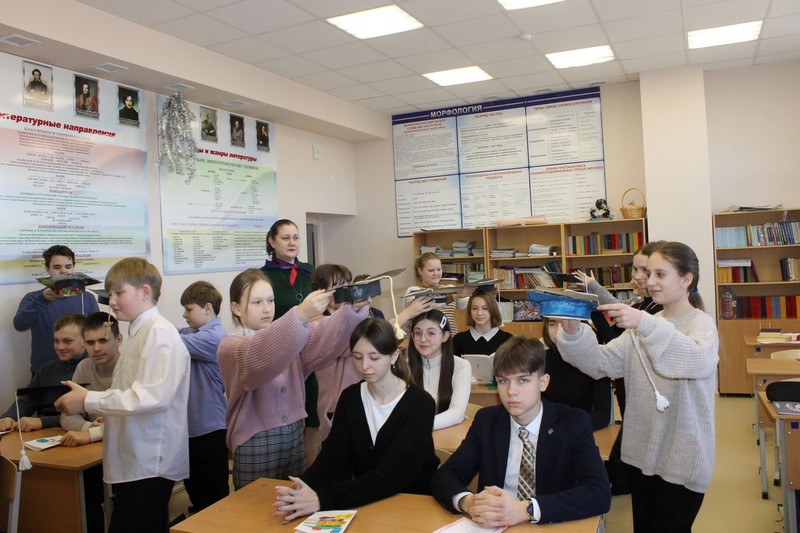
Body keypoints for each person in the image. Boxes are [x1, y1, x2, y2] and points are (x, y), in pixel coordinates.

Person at [557, 242, 719, 533]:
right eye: (647, 272)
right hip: (642, 455)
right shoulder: (648, 323)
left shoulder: (700, 324)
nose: (649, 281)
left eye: (660, 274)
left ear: (686, 279)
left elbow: (696, 361)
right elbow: (601, 363)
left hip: (682, 458)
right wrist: (572, 331)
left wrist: (644, 323)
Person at [56, 257, 191, 533]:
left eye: (119, 293)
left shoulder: (159, 334)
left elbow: (150, 397)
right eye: (111, 293)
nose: (112, 301)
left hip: (149, 462)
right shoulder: (140, 333)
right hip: (136, 461)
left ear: (144, 292)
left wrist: (88, 399)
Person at [431, 336, 611, 527]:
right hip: (496, 527)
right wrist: (468, 502)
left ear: (543, 382)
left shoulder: (573, 423)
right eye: (503, 381)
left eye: (523, 380)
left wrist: (526, 509)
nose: (511, 391)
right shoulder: (487, 421)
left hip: (551, 526)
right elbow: (446, 475)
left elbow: (599, 493)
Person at [273, 318, 439, 523]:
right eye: (357, 357)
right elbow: (332, 458)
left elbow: (392, 475)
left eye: (374, 358)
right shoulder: (351, 397)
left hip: (414, 508)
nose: (364, 366)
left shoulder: (421, 404)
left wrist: (321, 499)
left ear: (394, 356)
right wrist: (300, 489)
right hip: (369, 503)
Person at [217, 269, 369, 490]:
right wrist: (300, 315)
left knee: (292, 501)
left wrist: (352, 309)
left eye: (271, 300)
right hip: (255, 441)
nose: (267, 309)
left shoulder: (289, 335)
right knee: (254, 506)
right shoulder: (230, 346)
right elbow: (260, 356)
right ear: (236, 308)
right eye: (257, 302)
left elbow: (323, 335)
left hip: (295, 436)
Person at [260, 219, 321, 466]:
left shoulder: (309, 270)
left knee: (312, 421)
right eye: (285, 238)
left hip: (309, 353)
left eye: (295, 237)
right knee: (285, 421)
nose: (292, 242)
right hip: (281, 355)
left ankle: (311, 477)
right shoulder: (262, 276)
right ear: (272, 241)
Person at [178, 281, 229, 512]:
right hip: (192, 428)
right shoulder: (195, 333)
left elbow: (169, 340)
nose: (184, 315)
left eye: (189, 309)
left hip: (210, 429)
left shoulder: (215, 338)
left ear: (207, 308)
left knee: (214, 495)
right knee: (196, 489)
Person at [14, 244, 100, 375]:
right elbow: (19, 325)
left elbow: (97, 331)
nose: (63, 271)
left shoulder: (87, 298)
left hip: (82, 370)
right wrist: (42, 299)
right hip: (44, 372)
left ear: (74, 267)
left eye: (68, 266)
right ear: (47, 269)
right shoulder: (33, 298)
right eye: (57, 267)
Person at [0, 314, 87, 432]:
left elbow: (88, 415)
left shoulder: (92, 369)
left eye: (67, 341)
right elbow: (26, 401)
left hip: (75, 432)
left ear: (85, 341)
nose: (60, 347)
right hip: (43, 435)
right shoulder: (48, 368)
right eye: (56, 341)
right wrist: (9, 417)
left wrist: (43, 422)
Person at [310, 264, 362, 441]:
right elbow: (351, 345)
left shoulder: (352, 317)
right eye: (338, 287)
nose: (345, 292)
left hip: (359, 400)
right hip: (334, 406)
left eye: (347, 286)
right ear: (320, 292)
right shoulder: (315, 323)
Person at [60, 312, 122, 446]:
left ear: (118, 340)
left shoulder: (132, 368)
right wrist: (88, 427)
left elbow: (135, 421)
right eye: (90, 342)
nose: (96, 348)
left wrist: (93, 434)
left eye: (103, 341)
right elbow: (67, 414)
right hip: (92, 445)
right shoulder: (84, 367)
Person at [541, 317, 611, 431]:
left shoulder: (596, 360)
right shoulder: (539, 359)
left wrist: (566, 428)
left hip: (579, 432)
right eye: (552, 324)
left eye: (566, 323)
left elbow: (602, 416)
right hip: (545, 431)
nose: (559, 331)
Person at [407, 310, 470, 430]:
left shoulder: (461, 365)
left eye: (431, 333)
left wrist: (420, 426)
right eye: (418, 333)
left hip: (448, 433)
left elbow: (457, 412)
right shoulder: (404, 366)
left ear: (445, 336)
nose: (423, 339)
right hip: (413, 436)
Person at [403, 252, 459, 334]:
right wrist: (453, 296)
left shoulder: (450, 288)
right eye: (431, 270)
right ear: (420, 271)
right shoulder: (413, 291)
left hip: (451, 339)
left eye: (439, 269)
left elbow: (470, 304)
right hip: (425, 339)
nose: (436, 273)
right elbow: (433, 305)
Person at [453, 290, 512, 356]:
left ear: (492, 309)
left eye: (485, 308)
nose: (479, 313)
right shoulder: (458, 340)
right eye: (474, 308)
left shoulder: (508, 340)